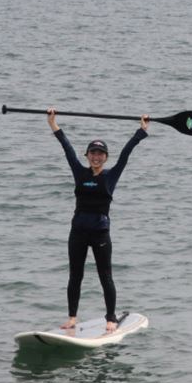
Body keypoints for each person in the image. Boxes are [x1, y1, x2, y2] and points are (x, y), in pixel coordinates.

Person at [47, 108, 149, 333]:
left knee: (106, 276)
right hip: (78, 233)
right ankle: (72, 318)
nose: (96, 156)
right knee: (75, 275)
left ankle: (111, 319)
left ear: (105, 157)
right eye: (92, 153)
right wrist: (53, 124)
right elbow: (67, 149)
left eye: (100, 153)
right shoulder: (79, 172)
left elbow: (126, 154)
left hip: (100, 233)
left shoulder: (110, 176)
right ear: (87, 155)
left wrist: (140, 132)